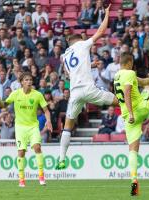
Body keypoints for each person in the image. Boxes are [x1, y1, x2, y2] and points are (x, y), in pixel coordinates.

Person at [56, 5, 120, 170]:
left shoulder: (65, 56)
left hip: (75, 93)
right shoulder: (82, 45)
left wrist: (90, 64)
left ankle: (61, 159)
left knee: (67, 127)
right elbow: (101, 30)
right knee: (120, 101)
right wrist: (106, 14)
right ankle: (146, 111)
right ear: (78, 40)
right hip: (89, 89)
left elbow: (71, 74)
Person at [112, 52, 149, 196]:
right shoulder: (130, 73)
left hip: (127, 117)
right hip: (139, 110)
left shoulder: (117, 76)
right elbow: (127, 93)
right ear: (129, 62)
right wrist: (132, 112)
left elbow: (143, 82)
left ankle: (134, 181)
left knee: (133, 149)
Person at [0, 71, 53, 187]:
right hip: (20, 127)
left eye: (30, 80)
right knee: (21, 152)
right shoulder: (15, 94)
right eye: (26, 80)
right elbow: (5, 105)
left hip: (33, 126)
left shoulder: (37, 94)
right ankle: (21, 180)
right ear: (21, 82)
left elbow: (46, 110)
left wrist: (49, 121)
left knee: (37, 147)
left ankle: (41, 176)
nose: (29, 82)